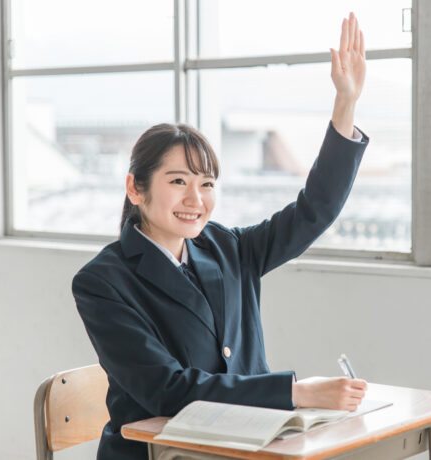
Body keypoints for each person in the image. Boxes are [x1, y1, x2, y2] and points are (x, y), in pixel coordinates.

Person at [73, 12, 369, 460]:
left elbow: (315, 210)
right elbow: (166, 390)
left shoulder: (229, 247)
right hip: (160, 452)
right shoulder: (102, 281)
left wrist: (345, 103)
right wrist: (296, 392)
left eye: (207, 184)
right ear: (135, 188)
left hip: (249, 447)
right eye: (177, 182)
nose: (196, 198)